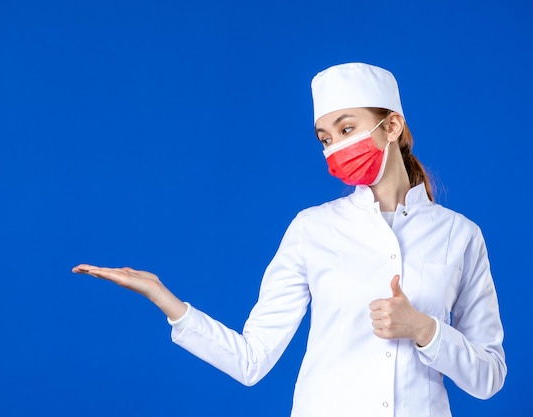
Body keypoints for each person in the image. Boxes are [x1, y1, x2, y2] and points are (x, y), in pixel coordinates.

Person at [72, 62, 506, 417]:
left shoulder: (459, 235)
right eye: (325, 138)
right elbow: (251, 360)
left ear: (391, 126)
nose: (336, 146)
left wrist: (425, 329)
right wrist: (165, 299)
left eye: (347, 128)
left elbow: (489, 377)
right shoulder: (312, 229)